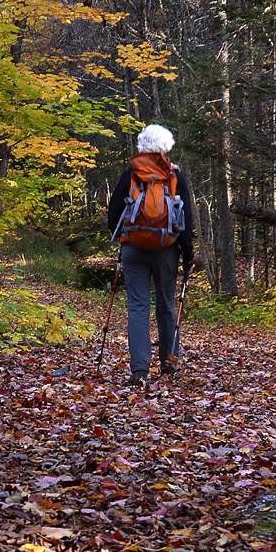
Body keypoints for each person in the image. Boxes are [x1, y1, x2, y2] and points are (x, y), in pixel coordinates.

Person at [105, 122, 197, 382]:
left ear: (142, 145)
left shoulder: (131, 173)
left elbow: (113, 215)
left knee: (137, 306)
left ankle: (140, 369)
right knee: (167, 305)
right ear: (166, 147)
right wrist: (188, 254)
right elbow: (186, 221)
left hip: (134, 249)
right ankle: (169, 363)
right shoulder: (174, 175)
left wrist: (124, 239)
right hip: (166, 250)